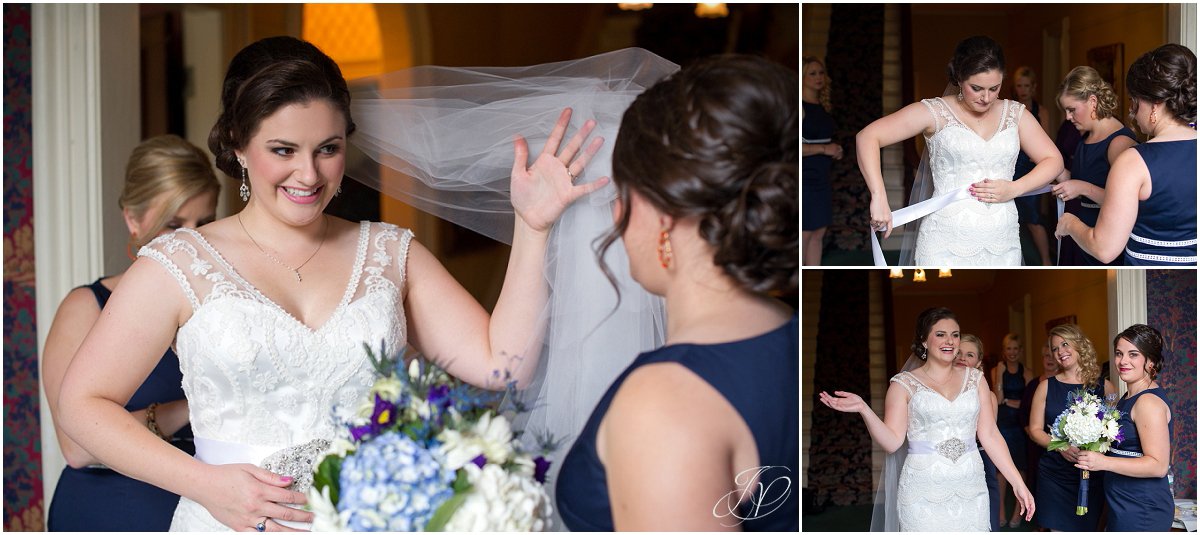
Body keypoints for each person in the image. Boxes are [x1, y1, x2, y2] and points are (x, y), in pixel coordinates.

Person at [59, 36, 609, 531]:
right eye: (283, 150)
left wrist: (533, 228)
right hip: (227, 523)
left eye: (328, 148)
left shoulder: (391, 252)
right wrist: (205, 484)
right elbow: (83, 405)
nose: (309, 175)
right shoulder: (179, 262)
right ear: (237, 145)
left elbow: (503, 364)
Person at [556, 54, 798, 530]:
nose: (614, 220)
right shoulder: (788, 325)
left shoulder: (664, 404)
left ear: (659, 212)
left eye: (619, 199)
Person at [42, 135, 219, 530]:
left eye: (204, 223)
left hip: (212, 510)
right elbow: (78, 447)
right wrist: (191, 407)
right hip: (113, 508)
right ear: (133, 219)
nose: (191, 240)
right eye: (173, 225)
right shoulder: (86, 307)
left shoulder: (226, 309)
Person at [820, 307, 1034, 531]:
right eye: (940, 334)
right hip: (923, 489)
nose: (949, 341)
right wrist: (864, 409)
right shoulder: (903, 384)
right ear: (923, 340)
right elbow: (892, 442)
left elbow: (990, 435)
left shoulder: (976, 379)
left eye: (955, 334)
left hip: (971, 486)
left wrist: (1017, 483)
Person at [857, 35, 1062, 265]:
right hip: (944, 238)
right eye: (976, 88)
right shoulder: (934, 112)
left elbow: (1053, 159)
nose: (986, 98)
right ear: (959, 78)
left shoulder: (1015, 114)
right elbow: (867, 137)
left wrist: (1015, 188)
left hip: (1002, 238)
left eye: (994, 88)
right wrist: (879, 196)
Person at [1056, 44, 1197, 265]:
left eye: (1134, 100)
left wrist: (1069, 224)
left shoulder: (1133, 161)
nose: (1131, 110)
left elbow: (1104, 249)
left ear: (1154, 104)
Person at [1075, 324, 1173, 531]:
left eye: (1133, 354)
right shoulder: (1127, 398)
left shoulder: (1148, 402)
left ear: (1151, 361)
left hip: (1142, 508)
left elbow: (1158, 466)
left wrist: (1104, 462)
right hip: (1122, 503)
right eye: (1119, 353)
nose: (1123, 361)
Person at [1026, 323, 1116, 531]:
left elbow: (1114, 427)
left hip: (1091, 474)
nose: (1060, 352)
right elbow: (1035, 430)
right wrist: (1061, 446)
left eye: (1065, 344)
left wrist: (1096, 447)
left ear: (1079, 345)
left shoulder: (1107, 387)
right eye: (1055, 348)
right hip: (1054, 476)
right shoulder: (1045, 387)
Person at [1049, 66, 1138, 265]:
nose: (1068, 117)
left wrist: (1082, 188)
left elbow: (1129, 203)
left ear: (1092, 101)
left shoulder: (1119, 143)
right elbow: (1081, 180)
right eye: (1065, 110)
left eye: (1072, 110)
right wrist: (1053, 169)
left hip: (1109, 243)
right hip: (1085, 237)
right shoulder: (1086, 137)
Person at [956, 334, 1001, 532]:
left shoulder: (988, 396)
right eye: (958, 353)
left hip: (980, 459)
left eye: (969, 355)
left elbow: (985, 434)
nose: (962, 358)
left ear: (978, 363)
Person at [1011, 66, 1053, 265]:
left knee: (1033, 219)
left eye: (1026, 85)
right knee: (1010, 218)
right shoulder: (1009, 110)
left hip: (1030, 169)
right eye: (1019, 85)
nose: (1023, 90)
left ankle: (1046, 262)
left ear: (1034, 87)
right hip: (1009, 168)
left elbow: (1046, 144)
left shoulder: (1040, 111)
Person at [990, 333, 1033, 528]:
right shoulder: (996, 370)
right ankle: (1000, 512)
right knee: (1000, 471)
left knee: (1021, 469)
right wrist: (1000, 373)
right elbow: (998, 399)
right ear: (1004, 351)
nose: (1012, 352)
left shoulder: (1028, 372)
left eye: (1016, 348)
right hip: (1003, 425)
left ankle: (1018, 512)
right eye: (1009, 348)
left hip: (1020, 426)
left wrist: (1011, 401)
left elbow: (1027, 404)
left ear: (1020, 351)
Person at [802, 56, 841, 266]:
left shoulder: (823, 105)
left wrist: (835, 149)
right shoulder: (798, 107)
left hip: (823, 176)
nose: (819, 77)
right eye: (812, 73)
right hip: (804, 177)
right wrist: (825, 149)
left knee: (819, 232)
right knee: (805, 232)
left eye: (821, 72)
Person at [1018, 336, 1060, 527]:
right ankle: (1040, 522)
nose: (1049, 359)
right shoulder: (1034, 385)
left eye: (1053, 354)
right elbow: (1023, 413)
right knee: (1036, 480)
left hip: (1063, 444)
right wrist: (1033, 433)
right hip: (1036, 443)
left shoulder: (1064, 385)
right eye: (1045, 356)